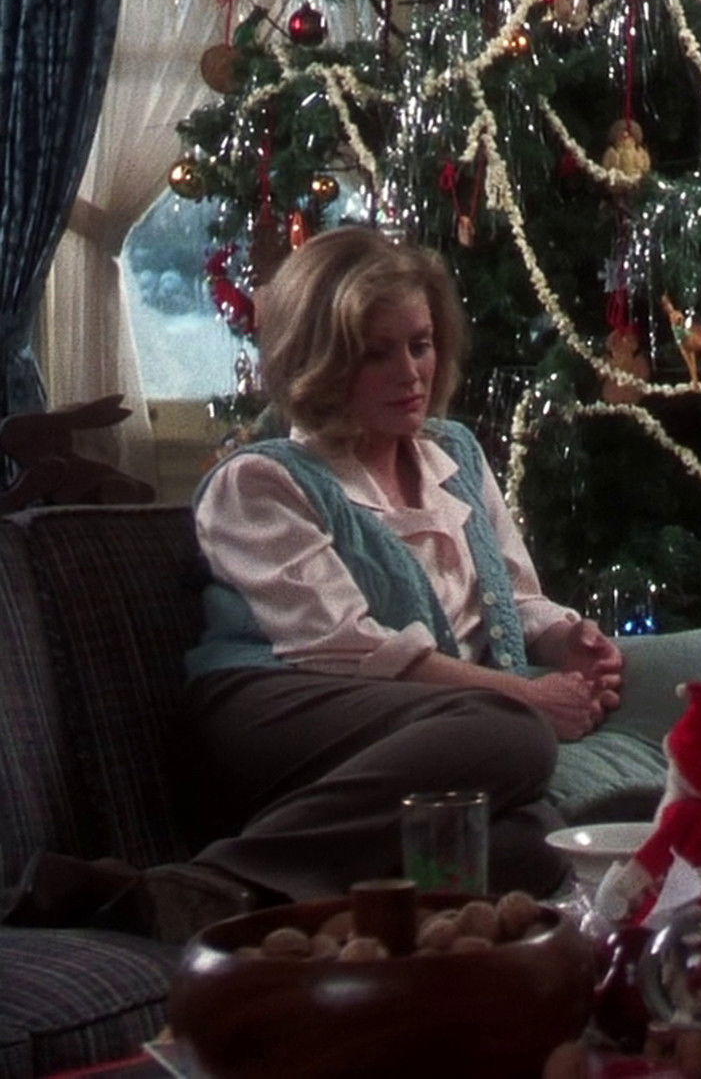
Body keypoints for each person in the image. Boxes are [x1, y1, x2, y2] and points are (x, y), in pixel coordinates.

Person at [155, 226, 626, 941]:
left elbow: (511, 594)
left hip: (419, 713)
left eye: (420, 344)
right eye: (377, 353)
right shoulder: (261, 480)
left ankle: (269, 903)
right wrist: (526, 696)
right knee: (510, 733)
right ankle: (219, 877)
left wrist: (566, 638)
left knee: (530, 840)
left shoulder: (454, 454)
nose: (411, 374)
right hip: (272, 703)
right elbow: (347, 648)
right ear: (322, 360)